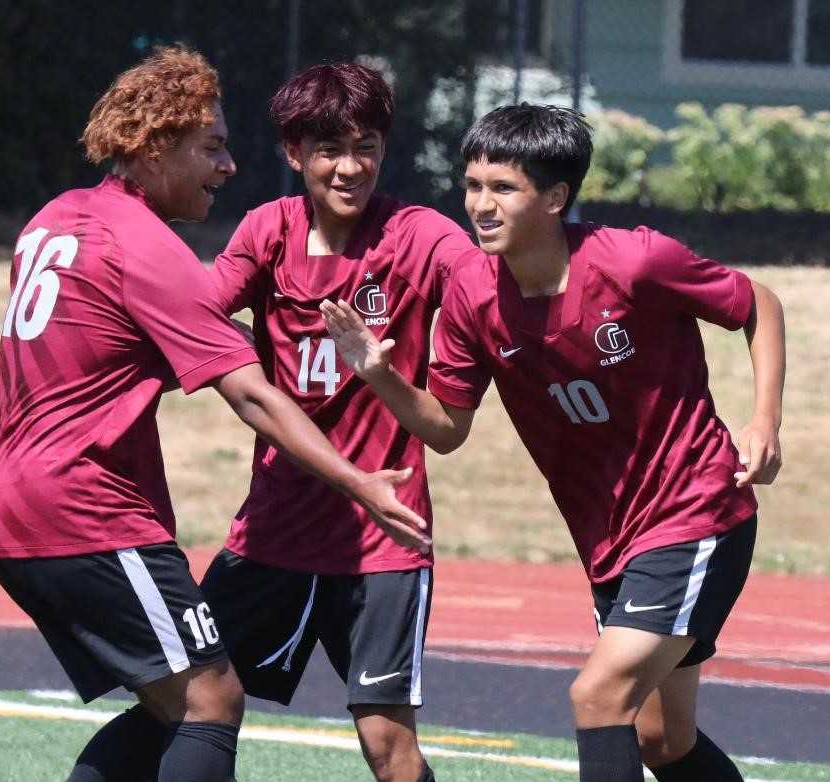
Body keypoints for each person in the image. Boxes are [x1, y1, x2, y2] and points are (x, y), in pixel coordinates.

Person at [0, 46, 429, 782]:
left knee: (171, 706)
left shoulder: (54, 218)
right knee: (209, 701)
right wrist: (361, 483)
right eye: (211, 148)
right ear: (155, 148)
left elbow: (118, 339)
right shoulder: (146, 246)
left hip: (10, 510)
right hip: (86, 510)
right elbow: (248, 393)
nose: (227, 167)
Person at [321, 104, 786, 782]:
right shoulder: (473, 295)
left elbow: (757, 304)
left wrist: (764, 420)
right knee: (664, 742)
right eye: (473, 185)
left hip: (695, 513)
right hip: (608, 538)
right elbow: (447, 429)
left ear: (556, 197)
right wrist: (379, 374)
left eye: (502, 188)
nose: (480, 204)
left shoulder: (635, 261)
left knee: (597, 697)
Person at [198, 63, 477, 782]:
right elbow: (192, 316)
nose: (349, 167)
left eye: (366, 147)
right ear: (294, 155)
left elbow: (486, 291)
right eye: (328, 149)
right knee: (186, 700)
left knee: (387, 743)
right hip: (271, 532)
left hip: (383, 538)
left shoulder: (418, 236)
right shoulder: (268, 231)